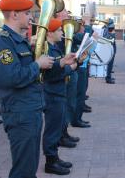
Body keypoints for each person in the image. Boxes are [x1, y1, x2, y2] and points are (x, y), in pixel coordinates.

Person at [0, 0, 55, 178]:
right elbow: (11, 78)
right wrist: (37, 64)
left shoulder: (18, 41)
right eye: (27, 13)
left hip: (29, 109)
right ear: (14, 14)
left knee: (29, 166)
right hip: (20, 113)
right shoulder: (3, 43)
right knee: (23, 170)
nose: (31, 17)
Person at [42, 18, 77, 175]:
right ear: (50, 32)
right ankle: (50, 162)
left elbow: (59, 69)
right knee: (52, 129)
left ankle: (54, 157)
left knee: (56, 128)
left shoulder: (54, 48)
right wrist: (71, 68)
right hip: (52, 94)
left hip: (58, 92)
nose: (62, 33)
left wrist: (72, 64)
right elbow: (51, 75)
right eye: (59, 30)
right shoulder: (46, 50)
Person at [103, 18, 116, 84]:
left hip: (110, 47)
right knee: (109, 63)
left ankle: (108, 76)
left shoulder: (106, 28)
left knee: (110, 63)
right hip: (109, 47)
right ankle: (108, 78)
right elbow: (108, 37)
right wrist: (112, 34)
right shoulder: (108, 28)